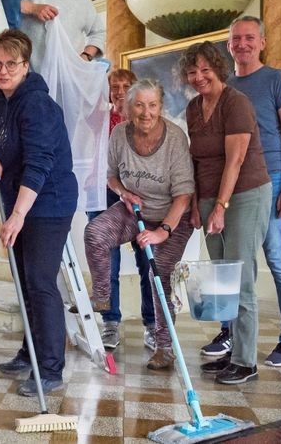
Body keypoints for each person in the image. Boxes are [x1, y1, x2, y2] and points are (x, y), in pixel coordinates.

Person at [198, 15, 281, 367]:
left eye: (249, 38)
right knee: (228, 263)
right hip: (226, 185)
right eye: (235, 39)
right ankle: (230, 332)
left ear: (262, 42)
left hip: (268, 179)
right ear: (228, 45)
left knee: (277, 258)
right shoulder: (222, 85)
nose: (242, 44)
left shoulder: (276, 80)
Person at [0, 29, 78, 397]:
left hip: (48, 202)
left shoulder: (37, 104)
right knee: (24, 281)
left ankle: (51, 368)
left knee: (40, 281)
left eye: (11, 64)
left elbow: (39, 162)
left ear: (26, 65)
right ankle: (29, 351)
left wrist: (18, 215)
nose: (3, 71)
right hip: (18, 201)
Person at [84, 79, 194, 370]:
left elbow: (184, 194)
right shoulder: (119, 133)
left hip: (173, 218)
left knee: (157, 272)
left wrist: (162, 232)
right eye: (139, 105)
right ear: (128, 108)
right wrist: (124, 192)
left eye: (153, 105)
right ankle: (103, 298)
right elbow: (110, 175)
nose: (146, 112)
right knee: (95, 233)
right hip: (136, 210)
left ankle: (164, 347)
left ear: (161, 106)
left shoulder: (175, 138)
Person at [179, 41, 271, 385]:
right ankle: (231, 351)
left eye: (205, 70)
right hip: (208, 196)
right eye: (192, 71)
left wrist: (220, 205)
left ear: (219, 69)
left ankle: (247, 362)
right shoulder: (192, 108)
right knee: (220, 279)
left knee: (240, 276)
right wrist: (196, 204)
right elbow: (195, 158)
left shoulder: (237, 103)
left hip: (245, 193)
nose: (198, 77)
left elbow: (235, 159)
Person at [85, 68, 158, 351]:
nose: (119, 90)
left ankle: (152, 325)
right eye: (114, 86)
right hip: (102, 191)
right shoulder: (99, 116)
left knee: (147, 260)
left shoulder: (143, 120)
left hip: (138, 192)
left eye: (126, 85)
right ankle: (110, 323)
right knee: (106, 263)